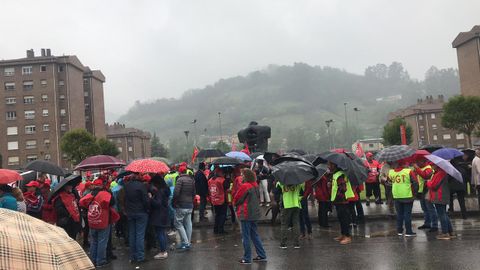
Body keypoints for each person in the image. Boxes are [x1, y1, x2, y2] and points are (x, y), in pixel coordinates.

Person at [79, 179, 116, 268]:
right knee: (102, 241)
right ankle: (101, 261)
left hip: (92, 221)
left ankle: (93, 260)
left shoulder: (90, 194)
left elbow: (81, 203)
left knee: (94, 241)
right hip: (103, 220)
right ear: (101, 185)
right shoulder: (105, 194)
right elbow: (113, 202)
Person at [235, 169, 267, 265]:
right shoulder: (255, 185)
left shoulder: (245, 186)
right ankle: (262, 255)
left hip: (245, 213)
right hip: (254, 213)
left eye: (242, 175)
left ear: (246, 176)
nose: (242, 176)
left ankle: (247, 258)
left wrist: (235, 203)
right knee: (255, 235)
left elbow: (237, 199)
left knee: (246, 236)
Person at [124, 174, 150, 263]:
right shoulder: (141, 186)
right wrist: (147, 209)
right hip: (141, 212)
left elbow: (125, 199)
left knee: (132, 234)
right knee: (140, 235)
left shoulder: (126, 186)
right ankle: (140, 257)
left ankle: (133, 256)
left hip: (130, 213)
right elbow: (146, 200)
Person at [388, 161, 418, 237]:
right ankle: (408, 231)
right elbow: (415, 183)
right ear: (403, 164)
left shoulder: (391, 172)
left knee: (399, 214)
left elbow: (388, 182)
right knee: (407, 214)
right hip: (407, 195)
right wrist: (414, 193)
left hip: (396, 195)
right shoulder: (408, 171)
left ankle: (399, 231)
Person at [328, 161, 354, 245]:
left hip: (342, 201)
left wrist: (337, 196)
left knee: (344, 219)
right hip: (338, 201)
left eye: (330, 165)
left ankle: (347, 236)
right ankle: (343, 234)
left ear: (334, 165)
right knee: (341, 218)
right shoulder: (335, 174)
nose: (328, 166)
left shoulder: (340, 175)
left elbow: (343, 188)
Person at [426, 166, 455, 240]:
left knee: (441, 214)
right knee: (444, 214)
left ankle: (445, 233)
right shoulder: (442, 172)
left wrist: (428, 182)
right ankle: (450, 231)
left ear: (437, 166)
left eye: (433, 165)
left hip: (439, 196)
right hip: (443, 195)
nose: (432, 167)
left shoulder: (440, 173)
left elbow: (434, 186)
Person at [276, 180, 304, 249]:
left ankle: (283, 244)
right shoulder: (299, 182)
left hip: (286, 205)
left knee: (284, 224)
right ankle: (296, 244)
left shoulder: (280, 183)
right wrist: (298, 199)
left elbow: (277, 193)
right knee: (296, 223)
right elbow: (301, 194)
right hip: (296, 204)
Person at [173, 168, 196, 250]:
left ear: (179, 172)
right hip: (190, 205)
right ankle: (187, 242)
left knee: (178, 223)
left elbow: (176, 193)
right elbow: (194, 193)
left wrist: (174, 202)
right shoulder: (191, 180)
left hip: (181, 205)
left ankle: (185, 242)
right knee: (188, 223)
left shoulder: (180, 180)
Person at [413, 159, 438, 232]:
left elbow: (425, 176)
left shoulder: (428, 168)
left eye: (419, 161)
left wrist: (417, 168)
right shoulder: (420, 168)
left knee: (430, 208)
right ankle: (427, 223)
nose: (417, 163)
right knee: (424, 208)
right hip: (421, 191)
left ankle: (434, 225)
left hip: (427, 191)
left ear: (423, 161)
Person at [150, 175, 171, 260]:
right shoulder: (165, 190)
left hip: (159, 214)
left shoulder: (159, 192)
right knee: (162, 232)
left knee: (160, 233)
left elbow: (158, 203)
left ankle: (163, 252)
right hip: (164, 214)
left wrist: (151, 198)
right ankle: (164, 250)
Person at [208, 168, 229, 234]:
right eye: (222, 173)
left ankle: (216, 229)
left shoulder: (210, 180)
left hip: (214, 200)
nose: (223, 174)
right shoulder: (222, 180)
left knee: (217, 215)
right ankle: (221, 229)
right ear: (220, 173)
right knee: (222, 215)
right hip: (222, 200)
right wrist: (227, 178)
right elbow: (227, 187)